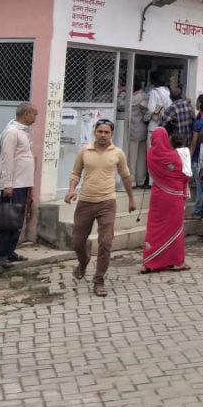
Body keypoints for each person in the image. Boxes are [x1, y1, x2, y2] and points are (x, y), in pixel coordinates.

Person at [66, 119, 135, 297]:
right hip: (85, 202)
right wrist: (72, 189)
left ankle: (99, 280)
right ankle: (83, 262)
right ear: (94, 132)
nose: (103, 135)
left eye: (106, 132)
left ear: (111, 134)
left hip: (107, 202)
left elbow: (126, 176)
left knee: (105, 243)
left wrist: (131, 199)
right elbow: (75, 173)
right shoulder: (84, 151)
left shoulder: (118, 153)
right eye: (100, 131)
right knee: (77, 241)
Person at [0, 101, 38, 266]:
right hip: (13, 184)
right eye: (34, 114)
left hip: (23, 183)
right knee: (7, 219)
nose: (36, 117)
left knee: (17, 220)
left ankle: (9, 252)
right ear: (25, 114)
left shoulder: (23, 132)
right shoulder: (12, 132)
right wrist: (7, 184)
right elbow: (7, 159)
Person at [141, 127, 190, 271]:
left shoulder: (150, 153)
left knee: (154, 227)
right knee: (175, 229)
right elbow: (184, 175)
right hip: (173, 196)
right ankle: (177, 262)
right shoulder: (174, 156)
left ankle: (148, 263)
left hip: (157, 195)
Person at [127, 81, 149, 188]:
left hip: (133, 130)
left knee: (132, 157)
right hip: (143, 130)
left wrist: (121, 93)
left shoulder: (131, 98)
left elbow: (120, 103)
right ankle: (141, 180)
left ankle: (132, 181)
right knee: (141, 158)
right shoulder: (145, 96)